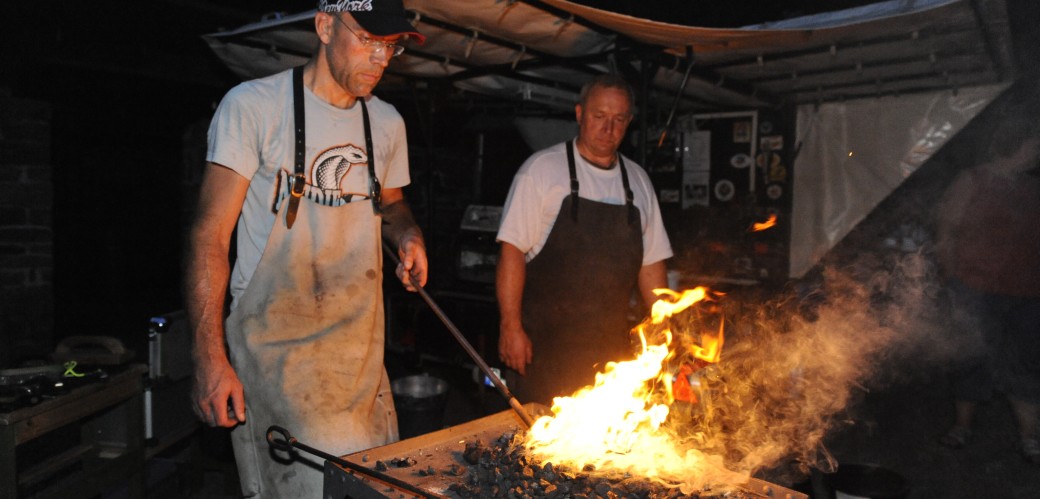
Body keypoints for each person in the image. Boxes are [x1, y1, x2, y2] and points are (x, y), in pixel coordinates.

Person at [186, 1, 428, 496]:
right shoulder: (253, 107)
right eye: (367, 39)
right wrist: (209, 357)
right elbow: (209, 236)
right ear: (324, 26)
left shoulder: (387, 124)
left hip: (361, 356)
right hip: (279, 356)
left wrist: (407, 234)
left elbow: (394, 205)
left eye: (390, 46)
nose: (380, 58)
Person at [495, 74, 674, 406]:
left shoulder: (638, 181)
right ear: (580, 114)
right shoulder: (541, 170)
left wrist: (663, 325)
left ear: (629, 123)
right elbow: (512, 251)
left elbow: (651, 264)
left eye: (619, 120)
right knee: (539, 447)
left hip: (612, 350)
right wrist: (510, 326)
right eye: (599, 117)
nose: (609, 129)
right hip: (546, 348)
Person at [934, 130, 1040, 464]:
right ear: (1016, 145)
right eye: (1034, 145)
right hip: (975, 288)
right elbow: (946, 229)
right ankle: (963, 426)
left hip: (1028, 293)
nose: (1038, 152)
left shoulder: (1032, 186)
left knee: (1023, 363)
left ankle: (1030, 439)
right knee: (971, 359)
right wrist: (951, 278)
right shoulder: (974, 180)